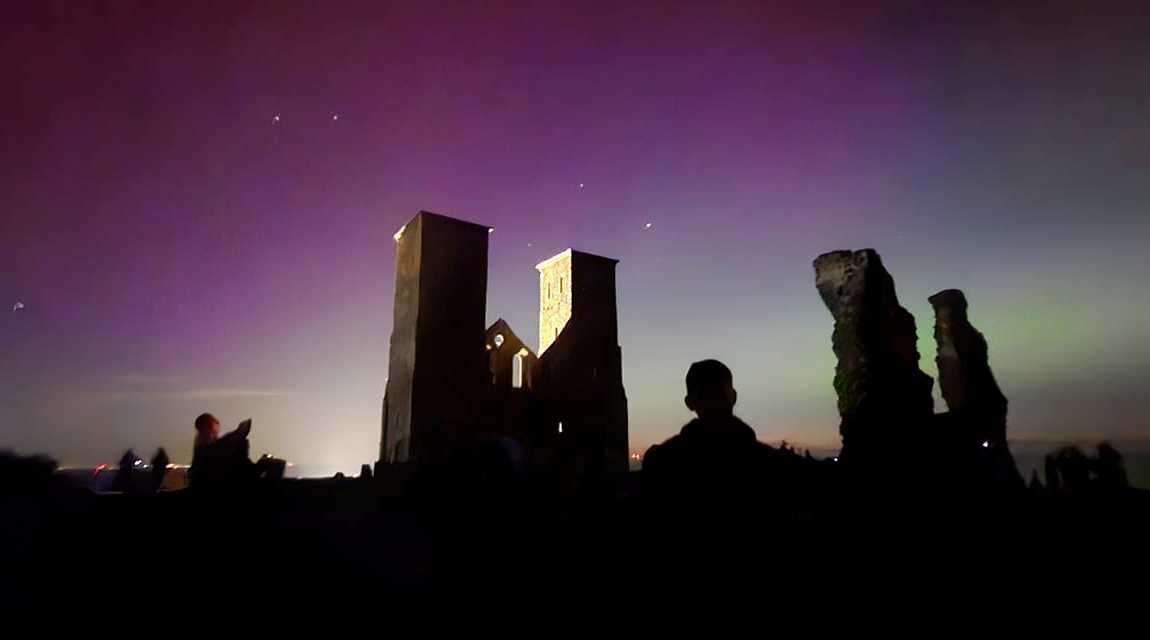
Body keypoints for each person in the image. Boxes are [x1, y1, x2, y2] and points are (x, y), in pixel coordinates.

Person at [642, 359, 782, 499]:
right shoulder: (777, 466)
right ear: (733, 397)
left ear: (689, 403)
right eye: (706, 394)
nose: (713, 402)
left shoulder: (662, 463)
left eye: (717, 393)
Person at [189, 413, 256, 490]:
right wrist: (238, 434)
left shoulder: (213, 447)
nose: (215, 435)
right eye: (213, 432)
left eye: (216, 432)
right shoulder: (205, 451)